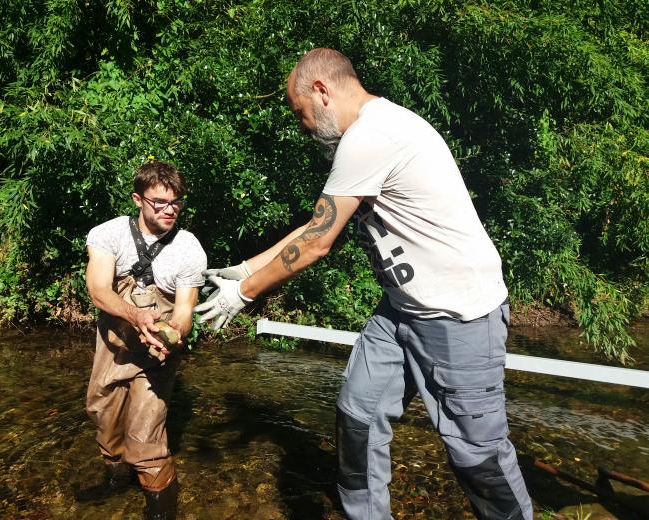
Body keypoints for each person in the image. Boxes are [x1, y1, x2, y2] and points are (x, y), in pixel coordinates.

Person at [194, 48, 532, 519]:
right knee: (359, 418)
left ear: (321, 91)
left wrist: (243, 295)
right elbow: (315, 225)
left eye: (300, 113)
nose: (302, 126)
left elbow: (317, 243)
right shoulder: (368, 133)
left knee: (478, 457)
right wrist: (246, 270)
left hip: (458, 315)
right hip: (401, 309)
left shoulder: (373, 135)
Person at [85, 161, 206, 520]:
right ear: (138, 199)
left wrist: (174, 333)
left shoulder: (188, 248)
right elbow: (98, 290)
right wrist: (136, 316)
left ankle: (161, 509)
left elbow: (184, 310)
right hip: (113, 345)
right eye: (160, 202)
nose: (170, 210)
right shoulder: (108, 234)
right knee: (103, 415)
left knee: (144, 437)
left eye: (176, 202)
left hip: (157, 353)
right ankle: (116, 481)